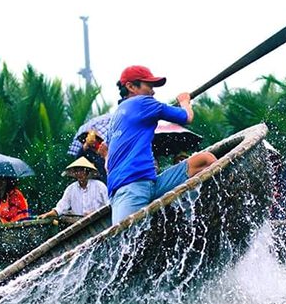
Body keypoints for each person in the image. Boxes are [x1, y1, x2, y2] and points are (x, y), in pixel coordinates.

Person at [106, 65, 216, 225]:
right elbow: (187, 117)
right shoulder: (143, 102)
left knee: (205, 161)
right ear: (130, 87)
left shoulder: (114, 119)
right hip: (129, 190)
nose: (153, 92)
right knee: (128, 242)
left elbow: (107, 162)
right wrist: (184, 101)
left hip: (151, 184)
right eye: (149, 86)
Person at [39, 157, 109, 219]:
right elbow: (61, 207)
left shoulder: (99, 186)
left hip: (99, 221)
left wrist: (95, 214)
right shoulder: (71, 189)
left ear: (87, 172)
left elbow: (109, 204)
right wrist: (48, 214)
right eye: (76, 171)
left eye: (82, 171)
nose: (79, 174)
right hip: (79, 225)